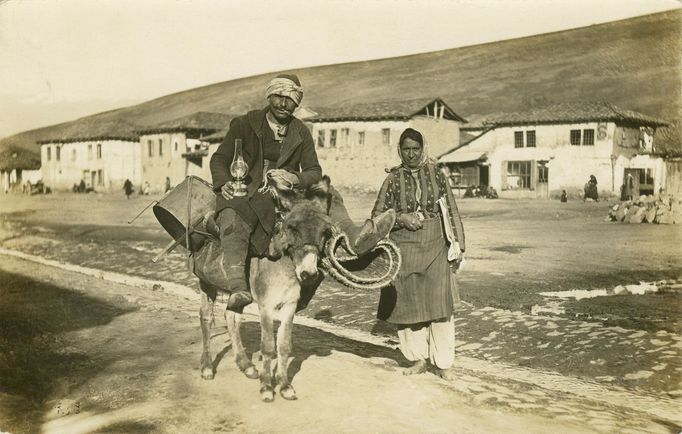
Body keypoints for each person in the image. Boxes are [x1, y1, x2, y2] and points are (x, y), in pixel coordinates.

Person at [210, 73, 392, 313]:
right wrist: (224, 183)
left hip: (287, 190)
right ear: (269, 96)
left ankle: (355, 238)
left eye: (291, 99)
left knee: (329, 193)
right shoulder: (244, 124)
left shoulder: (300, 131)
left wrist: (295, 177)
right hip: (248, 189)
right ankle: (238, 287)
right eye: (278, 97)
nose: (284, 104)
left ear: (297, 102)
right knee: (232, 215)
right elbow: (220, 159)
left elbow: (314, 170)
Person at [372, 128, 465, 379]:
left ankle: (443, 363)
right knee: (409, 304)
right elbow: (377, 216)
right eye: (406, 149)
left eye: (415, 149)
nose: (411, 154)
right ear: (399, 151)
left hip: (436, 245)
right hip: (404, 248)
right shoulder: (392, 179)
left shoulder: (437, 174)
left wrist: (459, 245)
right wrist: (401, 218)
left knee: (439, 305)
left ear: (423, 148)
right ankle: (417, 359)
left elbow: (452, 210)